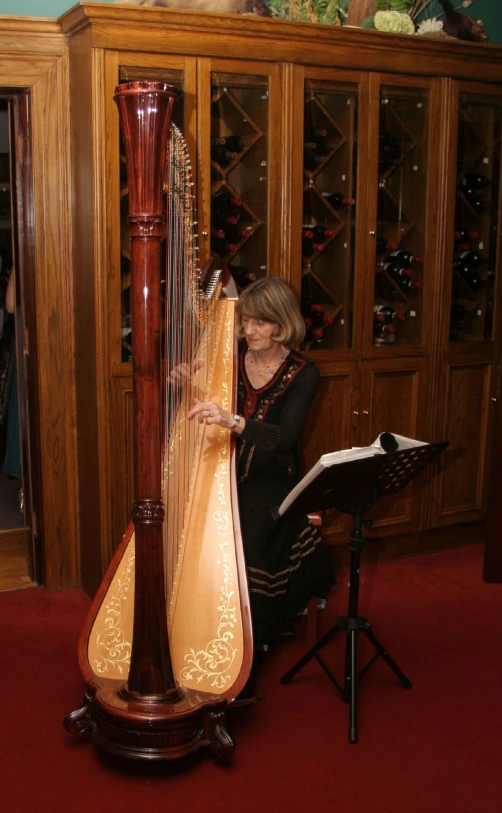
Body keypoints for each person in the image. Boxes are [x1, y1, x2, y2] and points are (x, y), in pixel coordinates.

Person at [187, 277, 335, 663]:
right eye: (245, 320)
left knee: (243, 533)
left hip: (274, 479)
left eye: (261, 323)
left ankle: (246, 638)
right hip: (224, 466)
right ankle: (195, 618)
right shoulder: (231, 355)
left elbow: (283, 440)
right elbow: (204, 397)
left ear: (282, 322)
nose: (248, 330)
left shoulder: (304, 372)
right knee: (189, 518)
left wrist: (230, 419)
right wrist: (186, 381)